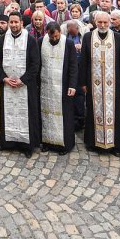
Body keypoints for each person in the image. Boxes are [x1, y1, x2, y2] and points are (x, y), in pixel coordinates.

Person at [80, 11, 120, 156]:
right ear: (95, 22)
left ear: (110, 23)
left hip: (113, 83)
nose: (102, 25)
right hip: (93, 82)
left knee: (115, 112)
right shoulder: (89, 37)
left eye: (105, 22)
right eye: (99, 22)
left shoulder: (117, 38)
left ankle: (116, 145)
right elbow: (83, 61)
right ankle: (93, 142)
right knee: (93, 111)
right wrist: (83, 82)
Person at [0, 10, 42, 157]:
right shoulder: (2, 39)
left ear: (21, 23)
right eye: (11, 22)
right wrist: (4, 78)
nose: (13, 25)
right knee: (8, 113)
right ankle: (6, 142)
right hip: (8, 85)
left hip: (25, 86)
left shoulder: (30, 40)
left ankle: (27, 145)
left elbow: (35, 64)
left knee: (26, 114)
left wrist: (23, 80)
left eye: (16, 22)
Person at [39, 21, 78, 153]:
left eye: (56, 36)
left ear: (60, 32)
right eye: (52, 37)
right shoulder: (41, 41)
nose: (55, 39)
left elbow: (73, 66)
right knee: (46, 115)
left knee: (64, 116)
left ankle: (64, 145)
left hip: (63, 85)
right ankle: (46, 142)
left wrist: (72, 85)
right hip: (46, 85)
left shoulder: (68, 43)